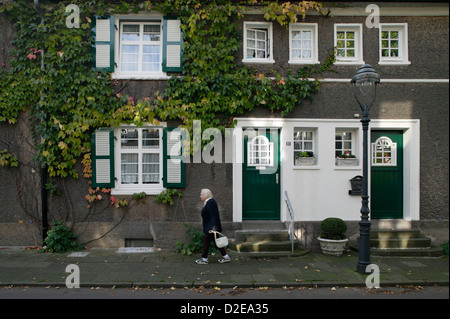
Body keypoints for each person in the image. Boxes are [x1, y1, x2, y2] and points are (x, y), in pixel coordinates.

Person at [195, 189, 231, 265]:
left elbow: (214, 216)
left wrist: (214, 228)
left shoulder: (211, 202)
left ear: (205, 195)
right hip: (211, 227)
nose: (200, 196)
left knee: (206, 241)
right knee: (216, 242)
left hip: (211, 228)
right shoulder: (208, 202)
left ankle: (204, 258)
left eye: (201, 194)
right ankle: (226, 257)